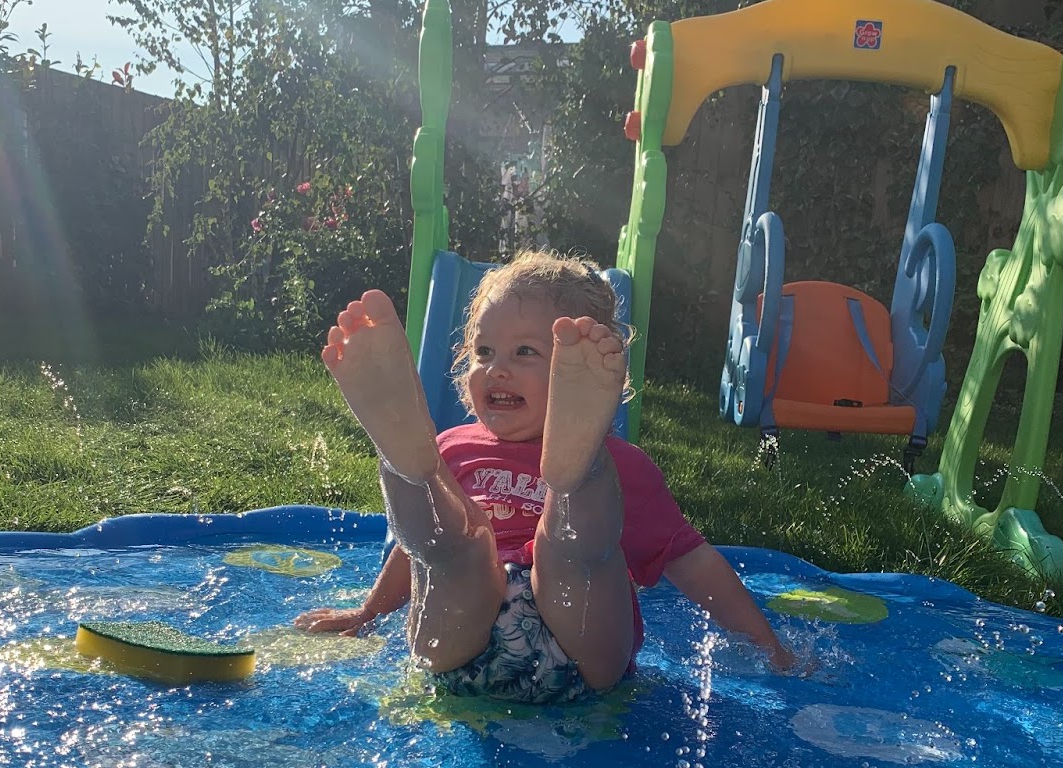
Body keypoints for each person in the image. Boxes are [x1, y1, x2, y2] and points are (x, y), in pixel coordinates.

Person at [295, 251, 795, 701]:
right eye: (484, 353)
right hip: (465, 638)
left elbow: (691, 560)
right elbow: (415, 552)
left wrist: (764, 643)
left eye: (525, 353)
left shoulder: (627, 468)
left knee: (570, 550)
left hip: (574, 643)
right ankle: (405, 463)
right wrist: (368, 613)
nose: (497, 370)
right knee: (451, 550)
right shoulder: (450, 449)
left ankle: (572, 478)